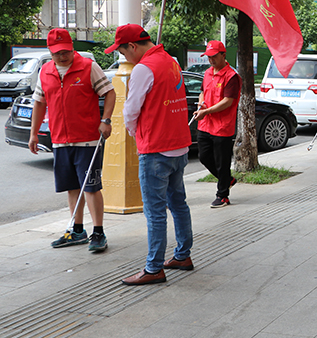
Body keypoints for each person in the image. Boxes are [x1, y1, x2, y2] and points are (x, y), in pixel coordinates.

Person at [107, 25, 194, 286]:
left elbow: (130, 110)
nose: (124, 59)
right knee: (178, 204)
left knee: (155, 212)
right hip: (179, 146)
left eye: (123, 52)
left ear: (132, 46)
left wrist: (136, 134)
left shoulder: (144, 69)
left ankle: (154, 268)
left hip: (156, 148)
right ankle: (182, 255)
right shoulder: (170, 61)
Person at [29, 28, 115, 252]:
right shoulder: (45, 72)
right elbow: (39, 103)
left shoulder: (88, 67)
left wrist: (106, 120)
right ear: (50, 51)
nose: (62, 56)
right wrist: (33, 134)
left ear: (72, 48)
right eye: (57, 53)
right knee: (71, 187)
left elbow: (110, 92)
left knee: (91, 186)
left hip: (87, 139)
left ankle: (98, 232)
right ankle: (77, 231)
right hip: (60, 140)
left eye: (66, 51)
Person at [194, 40, 241, 208]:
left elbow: (228, 101)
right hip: (206, 124)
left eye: (214, 56)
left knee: (222, 162)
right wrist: (201, 105)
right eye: (208, 57)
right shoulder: (207, 73)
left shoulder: (231, 76)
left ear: (223, 55)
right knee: (204, 157)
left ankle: (223, 195)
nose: (211, 60)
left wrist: (207, 111)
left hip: (222, 126)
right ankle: (228, 180)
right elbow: (202, 92)